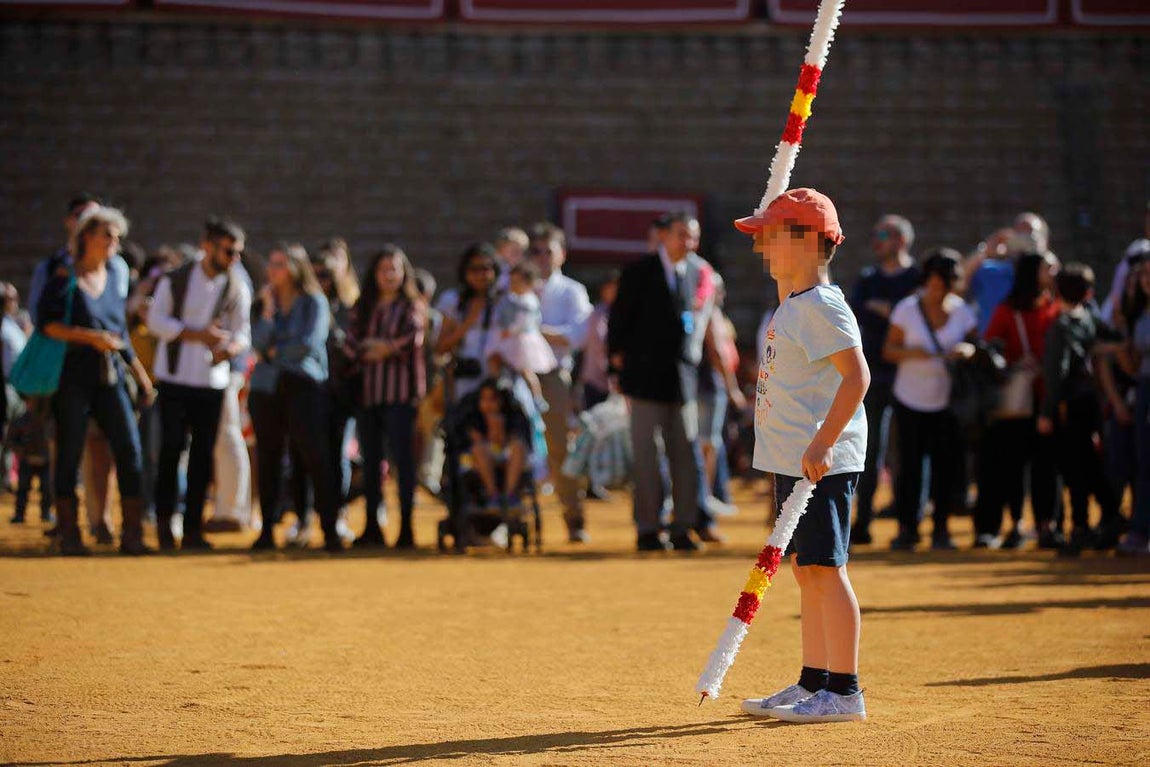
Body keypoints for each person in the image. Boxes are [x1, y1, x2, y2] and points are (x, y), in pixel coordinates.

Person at [734, 188, 869, 724]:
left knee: (827, 569)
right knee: (806, 568)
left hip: (819, 461)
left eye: (773, 237)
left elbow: (857, 377)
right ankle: (814, 681)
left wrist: (824, 441)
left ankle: (845, 690)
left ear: (810, 242)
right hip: (794, 459)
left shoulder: (821, 305)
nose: (762, 248)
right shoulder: (794, 302)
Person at [37, 206, 156, 555]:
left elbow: (120, 334)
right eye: (108, 235)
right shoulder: (64, 277)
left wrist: (141, 375)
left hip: (110, 375)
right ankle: (70, 534)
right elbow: (47, 325)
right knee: (70, 450)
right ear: (86, 237)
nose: (114, 243)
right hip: (72, 377)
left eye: (117, 237)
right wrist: (91, 338)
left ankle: (132, 534)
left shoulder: (114, 279)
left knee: (129, 449)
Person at [607, 212, 714, 552]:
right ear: (664, 236)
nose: (689, 243)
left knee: (685, 454)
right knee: (647, 457)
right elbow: (618, 324)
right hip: (643, 379)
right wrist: (618, 369)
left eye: (693, 236)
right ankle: (648, 527)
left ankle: (683, 526)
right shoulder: (638, 272)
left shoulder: (695, 273)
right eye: (682, 234)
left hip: (681, 380)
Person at [147, 217, 251, 550]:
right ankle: (165, 524)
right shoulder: (175, 279)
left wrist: (231, 348)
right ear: (207, 246)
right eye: (228, 251)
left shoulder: (236, 285)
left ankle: (192, 528)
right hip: (174, 378)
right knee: (171, 450)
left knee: (203, 457)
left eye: (237, 252)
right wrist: (196, 335)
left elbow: (243, 332)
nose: (234, 258)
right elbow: (155, 321)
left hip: (213, 381)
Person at [248, 243, 343, 553]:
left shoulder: (314, 301)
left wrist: (273, 352)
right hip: (266, 388)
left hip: (303, 386)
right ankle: (267, 530)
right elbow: (257, 342)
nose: (272, 270)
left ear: (294, 268)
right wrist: (267, 314)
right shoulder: (264, 302)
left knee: (315, 456)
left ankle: (329, 529)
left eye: (280, 264)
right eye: (271, 263)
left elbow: (308, 344)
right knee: (269, 457)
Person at [883, 249, 978, 551]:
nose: (938, 290)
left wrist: (967, 351)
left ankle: (941, 529)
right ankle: (908, 529)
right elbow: (888, 350)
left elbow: (977, 346)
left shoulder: (962, 311)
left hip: (947, 401)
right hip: (909, 399)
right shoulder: (907, 309)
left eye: (944, 284)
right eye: (934, 283)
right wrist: (912, 353)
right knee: (909, 468)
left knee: (945, 468)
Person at [976, 252, 1060, 549]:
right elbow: (990, 349)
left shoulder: (1054, 306)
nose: (1054, 271)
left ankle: (1046, 524)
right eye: (1048, 267)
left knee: (1046, 466)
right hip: (1017, 401)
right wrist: (1012, 363)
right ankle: (1014, 524)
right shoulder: (1007, 310)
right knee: (1011, 465)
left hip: (1047, 398)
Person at [345, 245, 427, 549]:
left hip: (401, 396)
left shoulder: (410, 305)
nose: (389, 275)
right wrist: (371, 349)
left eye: (394, 269)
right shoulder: (364, 305)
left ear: (404, 273)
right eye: (383, 269)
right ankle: (372, 526)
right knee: (372, 464)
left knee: (403, 463)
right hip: (368, 395)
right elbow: (351, 342)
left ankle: (406, 528)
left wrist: (384, 348)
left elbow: (413, 338)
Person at [1038, 264, 1122, 556]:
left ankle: (1081, 526)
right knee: (1090, 465)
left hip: (1069, 406)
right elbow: (1115, 337)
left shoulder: (1061, 326)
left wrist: (1047, 411)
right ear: (1087, 293)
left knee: (1074, 469)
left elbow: (1056, 375)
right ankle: (1110, 514)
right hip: (1090, 402)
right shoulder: (1088, 317)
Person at [848, 215, 920, 544]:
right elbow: (857, 312)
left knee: (907, 452)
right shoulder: (868, 278)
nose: (876, 241)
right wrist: (893, 312)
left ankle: (908, 526)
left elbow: (911, 318)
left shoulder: (917, 278)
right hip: (874, 374)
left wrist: (888, 311)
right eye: (876, 234)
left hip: (910, 374)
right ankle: (862, 522)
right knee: (869, 450)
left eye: (883, 235)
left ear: (901, 240)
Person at [528, 223, 593, 542]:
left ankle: (573, 516)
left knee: (559, 447)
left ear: (561, 255)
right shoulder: (517, 285)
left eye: (548, 251)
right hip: (518, 373)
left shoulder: (571, 291)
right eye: (536, 251)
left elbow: (578, 336)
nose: (542, 257)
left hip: (553, 376)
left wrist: (534, 332)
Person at [435, 243, 501, 403]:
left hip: (498, 379)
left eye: (485, 268)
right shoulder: (452, 301)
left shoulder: (504, 301)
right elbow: (440, 348)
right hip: (466, 378)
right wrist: (469, 321)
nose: (480, 275)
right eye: (474, 269)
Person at [485, 260, 557, 407]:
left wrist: (509, 330)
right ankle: (500, 382)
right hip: (511, 339)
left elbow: (523, 322)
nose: (513, 285)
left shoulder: (528, 302)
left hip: (521, 341)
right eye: (512, 282)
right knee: (495, 359)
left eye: (517, 282)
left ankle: (537, 397)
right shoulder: (511, 299)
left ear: (529, 283)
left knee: (525, 371)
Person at [1118, 259, 1150, 556]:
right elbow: (1133, 365)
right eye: (1144, 275)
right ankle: (1140, 529)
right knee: (1144, 461)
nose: (1147, 280)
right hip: (1144, 389)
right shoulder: (1137, 315)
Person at [461, 379, 530, 515]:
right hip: (479, 461)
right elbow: (474, 441)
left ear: (500, 401)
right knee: (479, 449)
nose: (488, 404)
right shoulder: (473, 418)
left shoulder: (512, 416)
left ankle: (510, 497)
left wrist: (499, 429)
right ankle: (494, 497)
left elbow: (512, 440)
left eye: (492, 399)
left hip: (506, 458)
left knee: (519, 446)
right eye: (484, 399)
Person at [580, 271, 618, 411]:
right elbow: (598, 342)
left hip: (616, 381)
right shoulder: (597, 313)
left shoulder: (623, 313)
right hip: (595, 379)